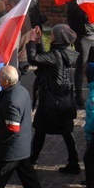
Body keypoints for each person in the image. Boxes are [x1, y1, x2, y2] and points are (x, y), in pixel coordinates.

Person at [0, 66, 50, 188]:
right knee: (30, 181)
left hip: (11, 149)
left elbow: (12, 127)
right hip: (23, 147)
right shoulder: (21, 91)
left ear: (6, 81)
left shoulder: (11, 100)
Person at [27, 24, 80, 174]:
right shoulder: (65, 52)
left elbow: (34, 59)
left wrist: (31, 41)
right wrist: (39, 42)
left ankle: (33, 159)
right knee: (66, 132)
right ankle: (73, 162)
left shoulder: (56, 55)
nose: (50, 36)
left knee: (40, 130)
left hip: (51, 102)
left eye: (53, 34)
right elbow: (45, 59)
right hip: (63, 101)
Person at [67, 0, 94, 108]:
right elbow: (71, 21)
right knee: (81, 66)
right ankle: (78, 95)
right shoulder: (75, 2)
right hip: (83, 36)